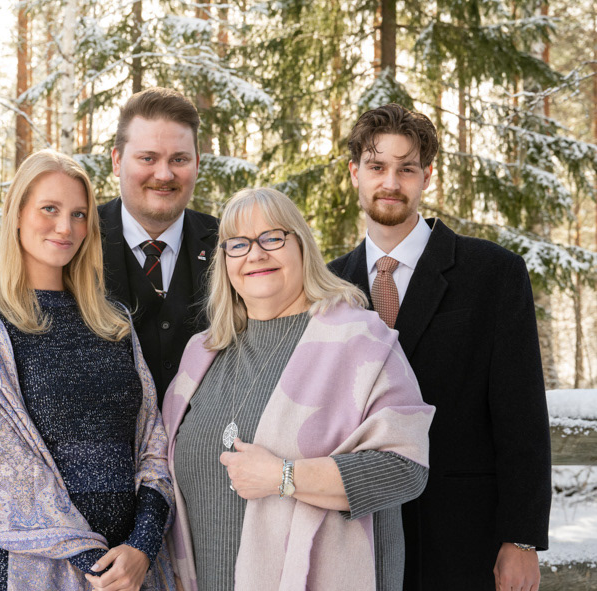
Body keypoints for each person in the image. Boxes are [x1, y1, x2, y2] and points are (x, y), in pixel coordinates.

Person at [163, 187, 435, 590]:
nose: (255, 254)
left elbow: (405, 469)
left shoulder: (360, 342)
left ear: (302, 246)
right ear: (224, 262)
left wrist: (285, 476)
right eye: (238, 244)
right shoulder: (201, 354)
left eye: (272, 238)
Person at [329, 103, 552, 591]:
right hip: (353, 538)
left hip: (463, 538)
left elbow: (522, 417)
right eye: (377, 167)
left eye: (406, 169)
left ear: (427, 176)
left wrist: (522, 538)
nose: (391, 182)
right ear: (354, 173)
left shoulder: (493, 274)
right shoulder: (328, 286)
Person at [0, 149, 176, 591]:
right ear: (17, 214)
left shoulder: (113, 321)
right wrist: (100, 565)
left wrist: (142, 545)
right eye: (49, 209)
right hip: (28, 566)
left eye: (79, 214)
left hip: (129, 566)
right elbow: (5, 462)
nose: (65, 227)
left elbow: (152, 439)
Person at [99, 87, 220, 406]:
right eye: (148, 158)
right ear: (117, 161)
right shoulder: (78, 243)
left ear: (197, 164)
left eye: (179, 159)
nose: (164, 174)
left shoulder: (229, 244)